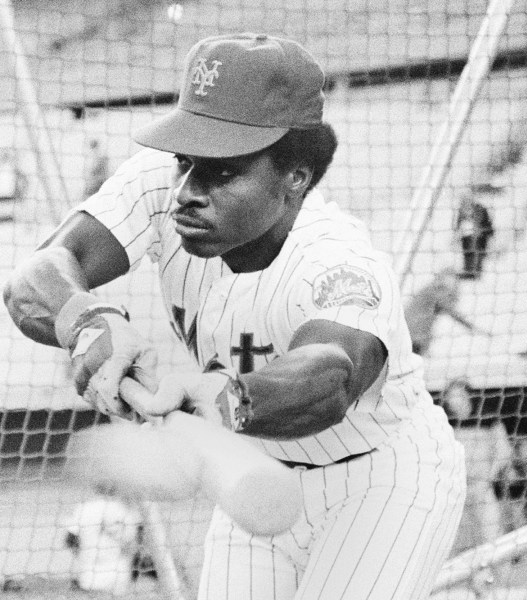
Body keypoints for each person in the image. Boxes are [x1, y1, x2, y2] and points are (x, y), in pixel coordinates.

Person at [3, 33, 465, 600]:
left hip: (381, 480)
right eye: (185, 160)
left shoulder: (336, 259)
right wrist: (89, 321)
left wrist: (220, 401)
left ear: (295, 175)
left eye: (223, 170)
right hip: (252, 468)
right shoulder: (163, 185)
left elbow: (332, 377)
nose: (188, 191)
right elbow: (35, 277)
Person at [440, 378, 511, 548]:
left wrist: (489, 477)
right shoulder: (442, 422)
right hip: (455, 490)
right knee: (456, 542)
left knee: (491, 538)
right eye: (449, 396)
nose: (451, 400)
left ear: (467, 397)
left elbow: (504, 451)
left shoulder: (489, 419)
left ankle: (493, 574)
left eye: (455, 395)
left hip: (482, 488)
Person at [404, 267, 490, 356]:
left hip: (410, 334)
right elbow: (453, 313)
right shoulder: (437, 292)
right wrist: (474, 328)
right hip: (413, 336)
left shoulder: (430, 290)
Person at [455, 190, 495, 279]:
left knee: (477, 253)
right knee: (468, 253)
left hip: (480, 235)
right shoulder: (462, 209)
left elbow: (485, 222)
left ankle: (475, 272)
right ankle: (469, 271)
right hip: (467, 235)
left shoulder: (479, 208)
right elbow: (459, 222)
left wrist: (487, 233)